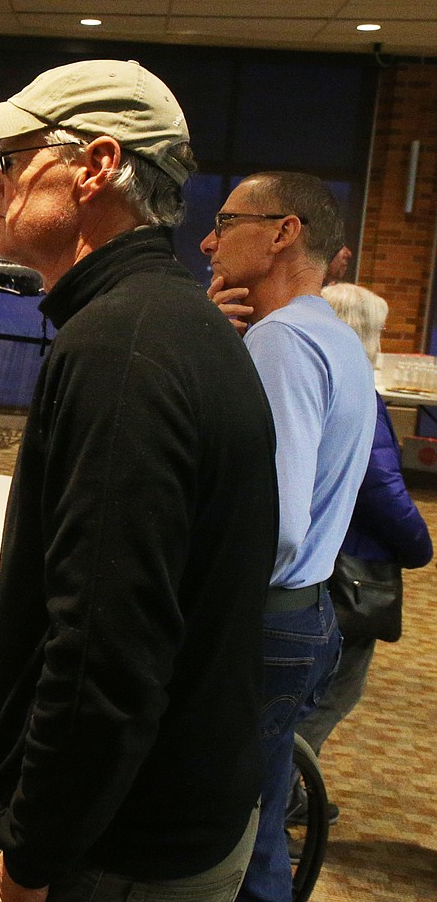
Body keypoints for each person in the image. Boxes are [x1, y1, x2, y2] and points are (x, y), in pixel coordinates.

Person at [0, 59, 278, 902]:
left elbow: (103, 656)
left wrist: (31, 859)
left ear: (93, 166)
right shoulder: (166, 322)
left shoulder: (123, 349)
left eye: (14, 158)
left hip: (117, 853)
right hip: (164, 823)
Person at [202, 174, 377, 902]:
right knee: (260, 824)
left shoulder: (281, 340)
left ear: (284, 233)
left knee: (224, 833)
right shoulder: (334, 338)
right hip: (306, 614)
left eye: (225, 220)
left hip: (263, 622)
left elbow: (273, 523)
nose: (209, 241)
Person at [291, 282, 432, 816]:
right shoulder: (357, 391)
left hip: (317, 555)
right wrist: (419, 546)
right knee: (332, 691)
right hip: (349, 565)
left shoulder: (308, 375)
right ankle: (281, 792)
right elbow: (381, 487)